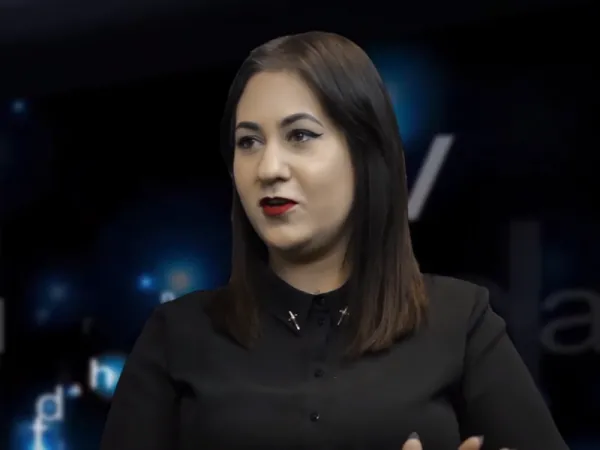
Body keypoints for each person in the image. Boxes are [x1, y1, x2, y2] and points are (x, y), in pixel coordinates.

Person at [100, 31, 568, 450]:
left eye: (300, 135)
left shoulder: (460, 321)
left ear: (366, 154)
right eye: (249, 142)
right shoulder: (176, 336)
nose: (269, 168)